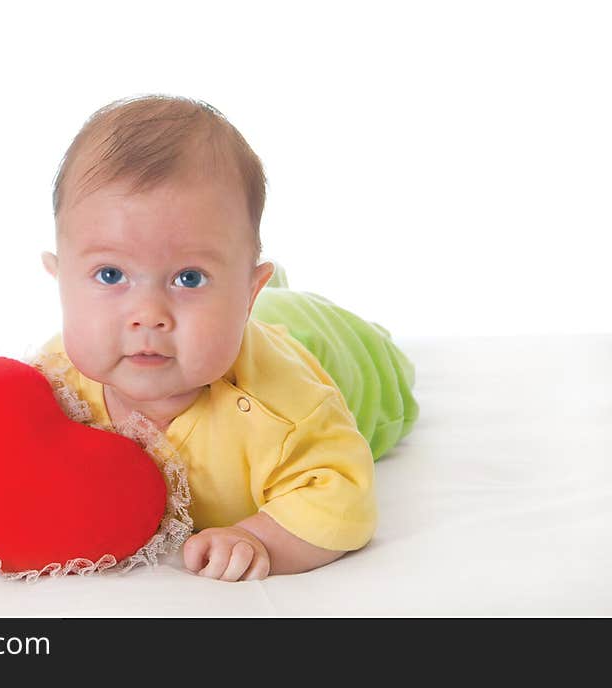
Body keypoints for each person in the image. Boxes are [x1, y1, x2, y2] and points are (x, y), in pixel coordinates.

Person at [38, 94, 418, 582]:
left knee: (363, 349)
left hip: (336, 348)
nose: (148, 316)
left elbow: (341, 493)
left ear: (248, 291)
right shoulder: (56, 382)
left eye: (188, 278)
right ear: (60, 279)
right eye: (110, 275)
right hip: (239, 316)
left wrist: (259, 536)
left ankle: (353, 334)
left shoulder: (288, 408)